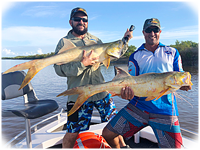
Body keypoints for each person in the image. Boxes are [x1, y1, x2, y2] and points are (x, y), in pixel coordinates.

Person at [102, 18, 192, 148]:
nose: (152, 33)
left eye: (155, 30)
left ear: (160, 31)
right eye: (149, 30)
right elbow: (131, 83)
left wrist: (185, 84)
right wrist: (125, 93)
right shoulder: (135, 55)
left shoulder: (172, 52)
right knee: (108, 134)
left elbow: (180, 76)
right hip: (138, 107)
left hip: (166, 111)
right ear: (143, 32)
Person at [53, 7, 133, 148]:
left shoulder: (96, 40)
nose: (81, 22)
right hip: (78, 95)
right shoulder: (64, 42)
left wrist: (125, 40)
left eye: (84, 20)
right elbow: (58, 70)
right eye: (77, 19)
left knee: (115, 126)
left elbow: (112, 52)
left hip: (101, 92)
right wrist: (82, 65)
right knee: (72, 133)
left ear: (88, 22)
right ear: (71, 22)